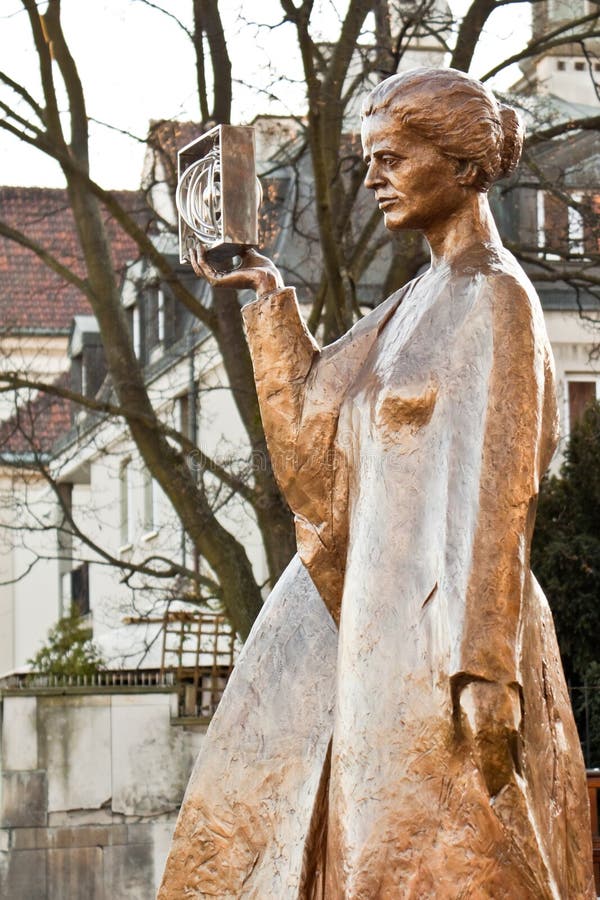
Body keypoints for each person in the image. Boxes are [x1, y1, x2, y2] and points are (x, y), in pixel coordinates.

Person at [159, 68, 594, 899]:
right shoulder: (413, 302)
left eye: (392, 158)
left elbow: (500, 491)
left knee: (456, 865)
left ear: (463, 166)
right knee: (373, 861)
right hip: (380, 637)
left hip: (451, 641)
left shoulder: (494, 297)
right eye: (367, 160)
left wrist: (485, 670)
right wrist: (264, 291)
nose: (371, 179)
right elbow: (320, 452)